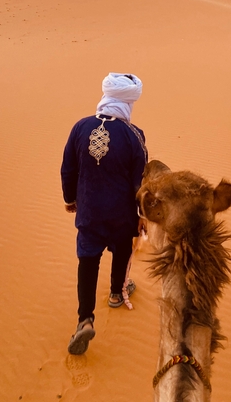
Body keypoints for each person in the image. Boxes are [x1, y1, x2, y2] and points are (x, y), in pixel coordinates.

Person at [61, 72, 147, 355]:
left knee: (87, 261)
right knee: (122, 251)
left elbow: (68, 169)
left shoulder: (80, 127)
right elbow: (140, 182)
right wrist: (143, 214)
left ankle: (85, 319)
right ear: (128, 103)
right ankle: (115, 294)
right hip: (122, 216)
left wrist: (71, 199)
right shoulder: (135, 136)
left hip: (89, 212)